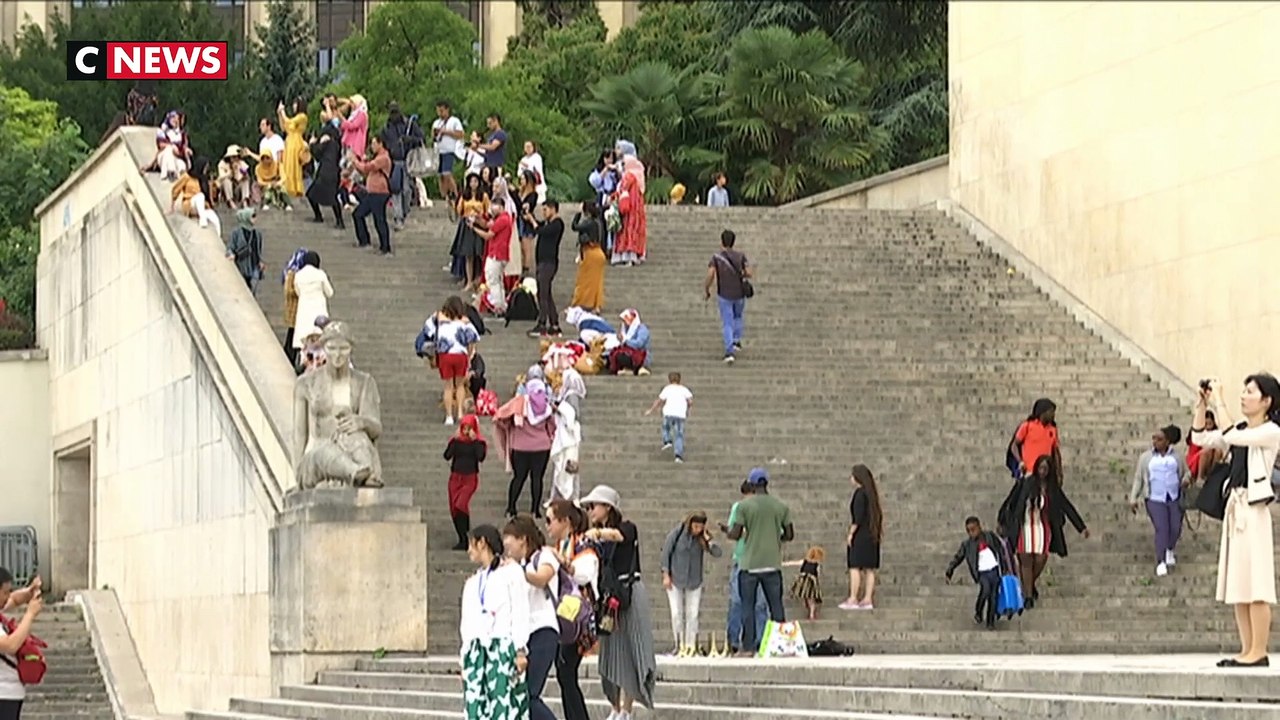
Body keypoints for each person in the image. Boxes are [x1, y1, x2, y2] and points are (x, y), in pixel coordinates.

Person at [1191, 374, 1280, 668]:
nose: (1243, 396)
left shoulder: (1270, 431)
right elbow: (1200, 438)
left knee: (1258, 586)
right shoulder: (1241, 429)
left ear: (1267, 401)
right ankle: (1247, 650)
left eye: (1250, 392)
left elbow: (1232, 435)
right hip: (1236, 509)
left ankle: (1259, 650)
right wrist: (1202, 406)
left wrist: (1220, 401)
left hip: (1254, 511)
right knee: (1240, 586)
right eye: (1243, 390)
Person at [581, 485, 656, 719]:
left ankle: (627, 709)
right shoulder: (594, 536)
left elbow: (620, 536)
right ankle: (614, 706)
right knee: (611, 651)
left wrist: (599, 534)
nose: (591, 511)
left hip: (629, 592)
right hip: (608, 598)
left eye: (594, 506)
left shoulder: (625, 528)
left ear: (608, 507)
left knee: (631, 648)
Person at [458, 525, 530, 720]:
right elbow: (468, 621)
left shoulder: (511, 573)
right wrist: (466, 654)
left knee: (504, 705)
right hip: (477, 649)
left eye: (471, 545)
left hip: (502, 647)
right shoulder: (473, 582)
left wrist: (520, 649)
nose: (469, 551)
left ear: (482, 543)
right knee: (476, 708)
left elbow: (520, 610)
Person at [998, 455, 1089, 608]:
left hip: (1042, 527)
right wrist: (1001, 521)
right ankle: (1027, 597)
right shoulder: (1026, 484)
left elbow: (1067, 507)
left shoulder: (1053, 489)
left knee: (1040, 559)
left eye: (1046, 469)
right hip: (1025, 524)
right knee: (1025, 558)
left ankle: (1029, 584)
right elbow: (1011, 501)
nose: (1043, 471)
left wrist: (1081, 527)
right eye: (1040, 468)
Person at [726, 467, 794, 657]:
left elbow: (736, 534)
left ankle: (748, 648)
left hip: (749, 564)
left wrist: (727, 531)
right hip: (773, 563)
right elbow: (789, 534)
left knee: (748, 606)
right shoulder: (780, 506)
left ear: (752, 484)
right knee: (776, 607)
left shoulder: (744, 507)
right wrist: (774, 537)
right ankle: (782, 645)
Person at [502, 515, 560, 720]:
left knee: (528, 694)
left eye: (510, 542)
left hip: (544, 630)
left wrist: (518, 571)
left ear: (523, 539)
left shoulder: (545, 556)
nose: (507, 549)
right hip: (526, 634)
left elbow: (542, 578)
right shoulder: (518, 565)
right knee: (522, 695)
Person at [546, 500, 598, 720]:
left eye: (550, 520)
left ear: (565, 521)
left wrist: (563, 562)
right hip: (563, 616)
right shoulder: (560, 545)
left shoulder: (582, 544)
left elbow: (584, 574)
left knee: (566, 673)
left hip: (579, 617)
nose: (547, 525)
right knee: (564, 674)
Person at [1128, 425, 1192, 577]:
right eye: (1154, 439)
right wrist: (1133, 497)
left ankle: (1169, 548)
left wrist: (1185, 480)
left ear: (1167, 442)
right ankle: (1161, 561)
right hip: (1154, 498)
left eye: (1159, 439)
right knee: (1161, 528)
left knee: (1175, 527)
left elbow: (1186, 472)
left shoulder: (1177, 457)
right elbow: (1139, 478)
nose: (1155, 442)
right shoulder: (1146, 458)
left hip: (1174, 497)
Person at [659, 511, 722, 655]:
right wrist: (666, 574)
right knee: (676, 613)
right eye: (695, 526)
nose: (697, 530)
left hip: (694, 580)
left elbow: (718, 553)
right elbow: (666, 552)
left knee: (692, 614)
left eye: (700, 527)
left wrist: (708, 540)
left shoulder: (701, 538)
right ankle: (679, 644)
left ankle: (690, 645)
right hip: (676, 578)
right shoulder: (678, 532)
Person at [722, 480, 768, 654]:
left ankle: (760, 641)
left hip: (762, 561)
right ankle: (733, 640)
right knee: (737, 601)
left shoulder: (766, 510)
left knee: (760, 604)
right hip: (742, 560)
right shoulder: (738, 508)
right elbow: (733, 531)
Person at [505, 366, 556, 518]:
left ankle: (511, 508)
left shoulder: (520, 403)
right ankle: (535, 510)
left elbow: (506, 416)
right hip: (541, 447)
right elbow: (552, 425)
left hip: (520, 447)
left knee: (518, 477)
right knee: (537, 478)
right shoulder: (546, 405)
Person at [945, 516, 1008, 630]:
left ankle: (990, 621)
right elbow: (958, 557)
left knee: (993, 597)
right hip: (982, 572)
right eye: (968, 531)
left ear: (979, 527)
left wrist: (1005, 567)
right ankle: (978, 611)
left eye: (973, 529)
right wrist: (950, 570)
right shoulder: (967, 545)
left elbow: (1001, 550)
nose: (971, 533)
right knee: (985, 590)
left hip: (994, 570)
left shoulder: (989, 536)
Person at [0, 569, 43, 720]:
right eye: (5, 592)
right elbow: (11, 645)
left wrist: (30, 592)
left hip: (9, 693)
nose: (8, 596)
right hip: (3, 694)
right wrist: (30, 614)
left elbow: (15, 599)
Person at [705, 229, 752, 364]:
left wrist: (707, 288)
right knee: (738, 317)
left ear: (722, 241)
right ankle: (736, 341)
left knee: (727, 321)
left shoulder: (716, 258)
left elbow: (710, 274)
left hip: (724, 293)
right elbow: (749, 273)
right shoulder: (741, 256)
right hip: (739, 293)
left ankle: (729, 350)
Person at [840, 464, 884, 610]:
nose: (851, 478)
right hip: (872, 535)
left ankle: (853, 598)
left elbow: (857, 517)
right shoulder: (872, 495)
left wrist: (851, 533)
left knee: (855, 567)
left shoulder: (859, 493)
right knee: (869, 569)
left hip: (861, 536)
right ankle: (867, 599)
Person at [433, 297, 480, 425]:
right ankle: (460, 413)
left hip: (445, 355)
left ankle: (449, 416)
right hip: (460, 355)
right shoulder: (465, 322)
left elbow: (429, 331)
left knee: (448, 386)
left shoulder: (439, 319)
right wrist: (469, 355)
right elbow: (473, 338)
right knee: (460, 385)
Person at [444, 415, 486, 550]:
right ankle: (462, 538)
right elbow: (447, 455)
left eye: (469, 428)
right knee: (454, 508)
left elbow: (480, 457)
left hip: (470, 477)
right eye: (464, 427)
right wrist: (454, 440)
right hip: (455, 477)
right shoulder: (456, 441)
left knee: (461, 504)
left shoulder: (478, 442)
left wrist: (475, 440)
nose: (466, 431)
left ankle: (467, 535)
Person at [349, 133, 394, 256]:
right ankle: (364, 240)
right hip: (372, 192)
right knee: (358, 214)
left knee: (379, 220)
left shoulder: (383, 158)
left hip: (379, 193)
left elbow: (367, 168)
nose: (372, 146)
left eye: (374, 143)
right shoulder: (377, 157)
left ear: (381, 144)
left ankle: (385, 247)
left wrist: (355, 161)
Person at [384, 101, 425, 231]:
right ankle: (398, 217)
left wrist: (410, 139)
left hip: (408, 161)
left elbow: (421, 139)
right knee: (396, 190)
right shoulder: (386, 128)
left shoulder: (409, 124)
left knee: (407, 190)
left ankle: (404, 212)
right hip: (394, 161)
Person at [527, 201, 565, 338]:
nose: (543, 213)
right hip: (542, 262)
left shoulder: (557, 224)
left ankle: (542, 323)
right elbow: (537, 226)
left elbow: (541, 230)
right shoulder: (548, 223)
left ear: (553, 209)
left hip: (549, 263)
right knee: (546, 294)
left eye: (545, 210)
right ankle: (554, 323)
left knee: (542, 293)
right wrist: (529, 216)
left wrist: (532, 221)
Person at [290, 251, 333, 359]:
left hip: (304, 308)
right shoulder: (320, 274)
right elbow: (330, 292)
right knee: (319, 334)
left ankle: (303, 359)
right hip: (319, 308)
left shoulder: (298, 275)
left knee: (303, 336)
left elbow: (297, 291)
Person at [473, 204, 514, 315]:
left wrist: (474, 229)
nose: (491, 210)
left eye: (494, 207)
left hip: (497, 254)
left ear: (501, 207)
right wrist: (478, 221)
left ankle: (497, 306)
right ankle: (501, 305)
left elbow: (488, 235)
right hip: (501, 254)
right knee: (498, 281)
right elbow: (487, 225)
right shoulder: (504, 219)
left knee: (493, 281)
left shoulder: (502, 220)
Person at [452, 174, 490, 291]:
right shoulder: (465, 195)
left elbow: (487, 211)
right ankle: (468, 281)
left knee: (480, 253)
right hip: (467, 224)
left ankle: (480, 279)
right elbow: (459, 210)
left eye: (475, 181)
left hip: (479, 224)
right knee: (468, 255)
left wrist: (480, 214)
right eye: (471, 182)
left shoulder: (483, 196)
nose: (473, 184)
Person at [611, 144, 648, 266]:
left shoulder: (629, 175)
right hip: (634, 207)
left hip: (628, 207)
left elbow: (623, 186)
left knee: (627, 228)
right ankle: (632, 254)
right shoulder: (637, 176)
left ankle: (627, 254)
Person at [307, 111, 344, 228]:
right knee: (331, 197)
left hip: (325, 171)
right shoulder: (336, 143)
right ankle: (338, 220)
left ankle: (322, 217)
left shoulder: (326, 142)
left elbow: (317, 155)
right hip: (334, 171)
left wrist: (312, 144)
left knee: (312, 194)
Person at [645, 372, 692, 463]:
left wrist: (651, 410)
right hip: (680, 414)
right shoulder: (684, 389)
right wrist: (688, 409)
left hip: (669, 413)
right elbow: (690, 401)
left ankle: (667, 441)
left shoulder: (667, 389)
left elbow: (659, 400)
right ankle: (678, 456)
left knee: (666, 427)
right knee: (679, 434)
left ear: (669, 380)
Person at [1010, 398, 1062, 481]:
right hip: (1029, 472)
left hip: (1046, 474)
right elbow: (1014, 446)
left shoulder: (1052, 429)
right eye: (1051, 412)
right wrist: (1020, 462)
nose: (1053, 415)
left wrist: (1059, 472)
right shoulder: (1027, 426)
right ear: (1043, 412)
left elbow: (1056, 452)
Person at [570, 201, 607, 313]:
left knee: (583, 280)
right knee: (597, 281)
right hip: (600, 252)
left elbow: (575, 227)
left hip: (590, 253)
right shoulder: (599, 222)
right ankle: (596, 305)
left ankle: (578, 303)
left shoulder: (590, 223)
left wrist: (577, 214)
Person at [168, 160, 221, 233]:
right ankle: (202, 220)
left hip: (201, 206)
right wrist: (172, 206)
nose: (205, 170)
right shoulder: (187, 176)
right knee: (200, 196)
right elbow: (176, 189)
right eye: (205, 168)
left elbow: (209, 195)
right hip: (190, 203)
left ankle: (218, 236)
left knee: (215, 218)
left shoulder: (203, 179)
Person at [432, 100, 466, 211]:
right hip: (438, 151)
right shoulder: (436, 122)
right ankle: (445, 197)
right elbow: (433, 136)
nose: (440, 113)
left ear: (447, 110)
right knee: (440, 175)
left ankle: (456, 195)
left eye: (442, 111)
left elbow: (460, 134)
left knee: (447, 173)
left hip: (449, 151)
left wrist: (446, 132)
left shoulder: (454, 121)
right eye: (438, 111)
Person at [224, 208, 264, 293]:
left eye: (255, 216)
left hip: (254, 266)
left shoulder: (257, 234)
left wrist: (260, 261)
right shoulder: (236, 232)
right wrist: (231, 254)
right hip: (241, 265)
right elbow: (230, 247)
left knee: (252, 289)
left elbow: (258, 249)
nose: (255, 218)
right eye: (252, 216)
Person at [276, 98, 308, 198]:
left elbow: (289, 123)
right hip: (289, 141)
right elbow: (284, 127)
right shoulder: (296, 118)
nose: (294, 106)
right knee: (287, 164)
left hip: (296, 141)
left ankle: (294, 188)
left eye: (295, 104)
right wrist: (280, 114)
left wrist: (283, 112)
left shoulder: (302, 116)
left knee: (293, 165)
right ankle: (288, 187)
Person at [784, 546, 825, 621]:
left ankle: (809, 609)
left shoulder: (805, 561)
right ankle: (812, 613)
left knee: (805, 595)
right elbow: (818, 574)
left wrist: (785, 563)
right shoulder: (817, 564)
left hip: (803, 581)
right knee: (811, 598)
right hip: (811, 581)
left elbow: (794, 563)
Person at [610, 309, 651, 376]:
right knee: (614, 353)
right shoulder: (625, 329)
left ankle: (639, 368)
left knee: (622, 356)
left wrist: (626, 341)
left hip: (641, 354)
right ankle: (626, 368)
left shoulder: (642, 329)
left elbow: (639, 343)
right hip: (629, 352)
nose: (624, 322)